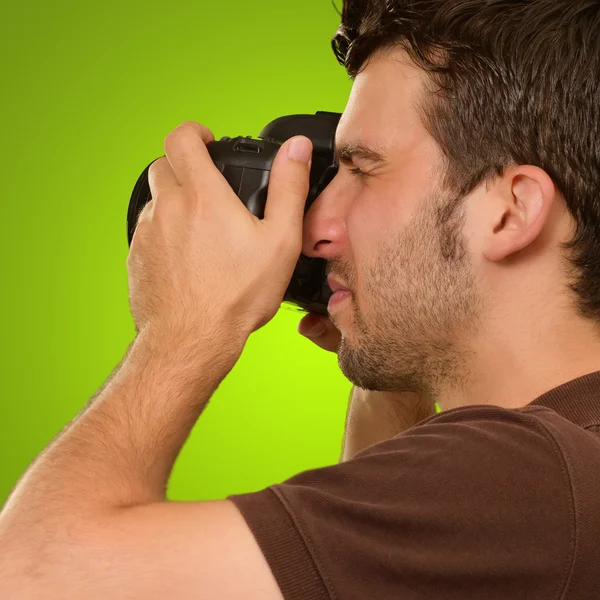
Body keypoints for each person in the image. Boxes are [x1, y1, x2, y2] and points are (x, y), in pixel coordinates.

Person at [1, 0, 600, 597]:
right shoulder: (552, 485)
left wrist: (184, 327)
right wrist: (388, 337)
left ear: (510, 211)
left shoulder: (527, 474)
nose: (316, 229)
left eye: (362, 170)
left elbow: (29, 576)